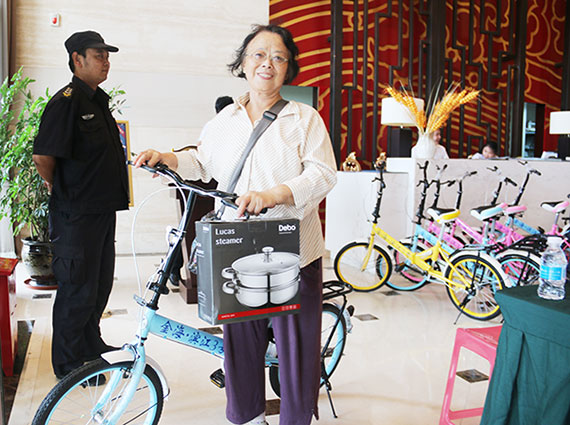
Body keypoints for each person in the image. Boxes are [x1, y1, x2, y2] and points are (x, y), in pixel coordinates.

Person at [134, 24, 337, 425]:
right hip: (237, 247)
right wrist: (168, 158)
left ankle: (296, 419)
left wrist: (274, 195)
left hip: (294, 252)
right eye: (258, 54)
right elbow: (203, 162)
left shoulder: (304, 118)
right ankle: (247, 417)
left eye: (278, 57)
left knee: (296, 350)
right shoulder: (224, 119)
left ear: (288, 68)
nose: (267, 63)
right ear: (242, 63)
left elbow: (323, 174)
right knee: (240, 347)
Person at [32, 30, 129, 379]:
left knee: (97, 286)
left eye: (107, 56)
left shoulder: (97, 101)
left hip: (100, 211)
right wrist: (59, 186)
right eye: (99, 55)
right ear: (77, 59)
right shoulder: (66, 103)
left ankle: (90, 347)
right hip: (75, 214)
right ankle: (70, 366)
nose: (106, 62)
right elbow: (43, 156)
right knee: (77, 289)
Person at [168, 95, 234, 287]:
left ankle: (175, 268)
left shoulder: (229, 126)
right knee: (189, 229)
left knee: (189, 229)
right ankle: (174, 268)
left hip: (220, 190)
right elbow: (201, 156)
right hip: (206, 187)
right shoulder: (214, 127)